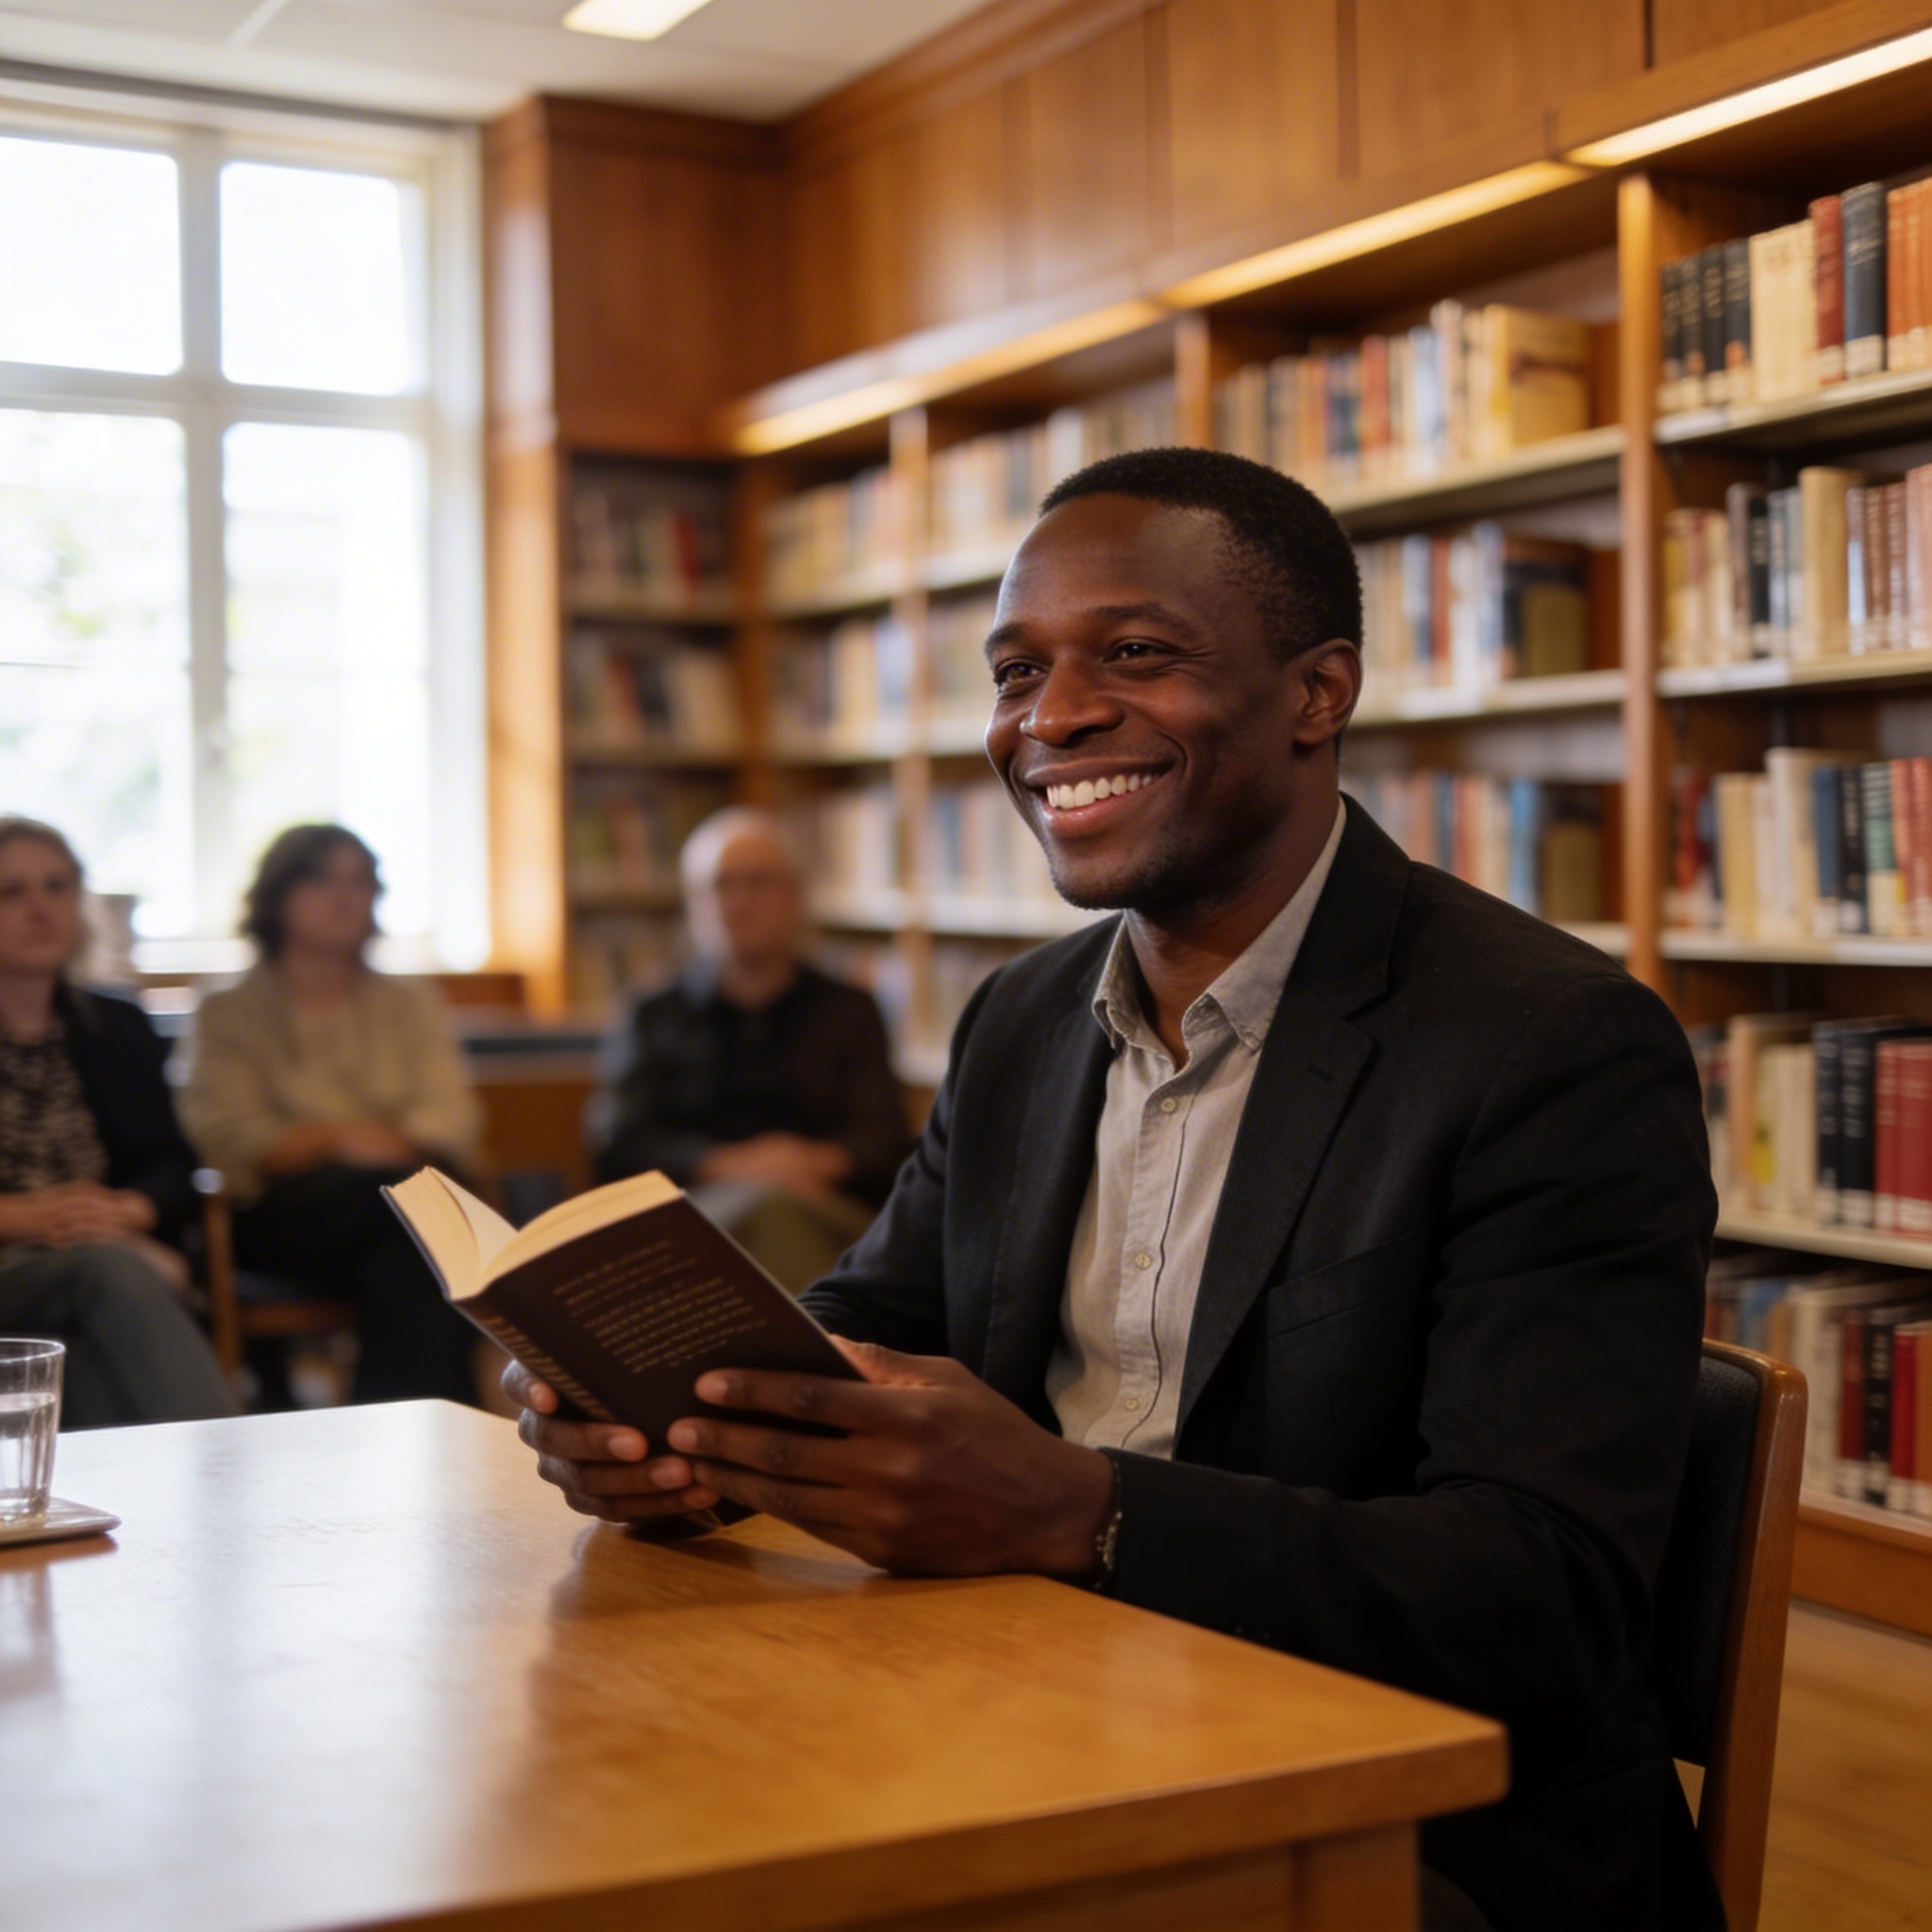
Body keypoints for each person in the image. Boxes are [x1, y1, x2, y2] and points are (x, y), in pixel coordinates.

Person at [511, 450, 1719, 1932]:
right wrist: (678, 1423)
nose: (1053, 717)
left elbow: (1548, 1593)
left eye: (1135, 654)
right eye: (1017, 670)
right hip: (1026, 1706)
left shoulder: (1546, 1043)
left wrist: (1080, 1512)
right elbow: (862, 1313)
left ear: (1317, 693)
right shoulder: (1022, 1019)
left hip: (1406, 1819)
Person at [180, 824, 486, 1406]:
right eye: (322, 879)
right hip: (282, 1219)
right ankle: (436, 1424)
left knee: (400, 1249)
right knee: (418, 1222)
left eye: (361, 881)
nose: (346, 897)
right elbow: (234, 1141)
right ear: (277, 895)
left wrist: (323, 1139)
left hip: (395, 1218)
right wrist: (349, 1139)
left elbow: (453, 1118)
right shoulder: (228, 1010)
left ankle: (402, 1426)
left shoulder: (409, 1003)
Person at [588, 808, 910, 1291]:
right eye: (719, 885)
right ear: (693, 902)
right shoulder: (652, 1014)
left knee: (779, 1217)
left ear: (795, 895)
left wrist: (805, 1163)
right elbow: (619, 1141)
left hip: (825, 1215)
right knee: (758, 1215)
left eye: (758, 882)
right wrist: (731, 1165)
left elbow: (886, 1139)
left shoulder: (850, 1009)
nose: (738, 903)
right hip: (693, 1217)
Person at [0, 817, 237, 1429]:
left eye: (57, 887)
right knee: (112, 1274)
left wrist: (129, 1212)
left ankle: (113, 1516)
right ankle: (227, 1463)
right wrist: (31, 1218)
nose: (41, 909)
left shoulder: (117, 1024)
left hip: (107, 1258)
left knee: (88, 1359)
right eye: (12, 892)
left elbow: (175, 1164)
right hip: (29, 1261)